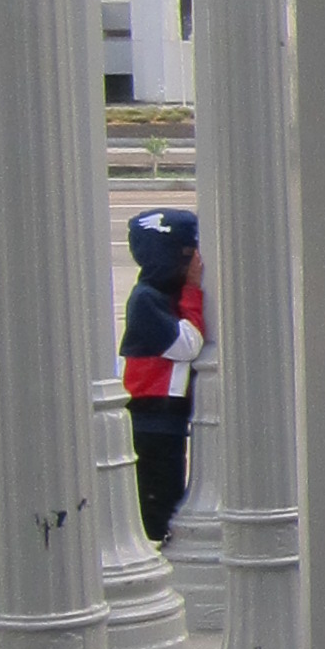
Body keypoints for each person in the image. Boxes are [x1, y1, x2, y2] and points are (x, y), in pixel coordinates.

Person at [119, 205, 206, 542]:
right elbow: (187, 345)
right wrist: (192, 291)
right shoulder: (146, 300)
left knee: (168, 490)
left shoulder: (161, 297)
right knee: (160, 505)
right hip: (152, 419)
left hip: (166, 418)